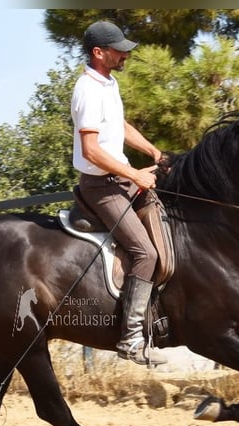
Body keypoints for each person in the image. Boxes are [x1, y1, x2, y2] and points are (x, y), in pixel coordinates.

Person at [70, 20, 167, 366]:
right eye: (119, 49)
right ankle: (130, 340)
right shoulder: (87, 89)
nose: (126, 53)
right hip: (101, 186)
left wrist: (155, 153)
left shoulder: (108, 84)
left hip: (121, 178)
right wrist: (135, 175)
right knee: (145, 253)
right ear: (99, 53)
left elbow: (120, 126)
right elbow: (92, 151)